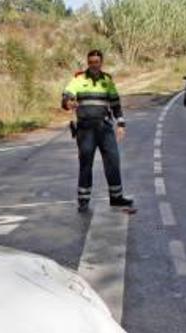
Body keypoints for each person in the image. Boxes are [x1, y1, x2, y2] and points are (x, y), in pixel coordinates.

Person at [61, 49, 134, 212]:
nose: (93, 65)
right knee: (86, 164)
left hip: (105, 128)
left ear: (101, 63)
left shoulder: (107, 80)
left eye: (96, 62)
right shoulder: (79, 79)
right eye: (91, 62)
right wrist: (68, 103)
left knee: (113, 161)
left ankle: (116, 197)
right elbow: (66, 96)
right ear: (88, 63)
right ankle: (83, 201)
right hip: (86, 129)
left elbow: (115, 103)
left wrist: (121, 124)